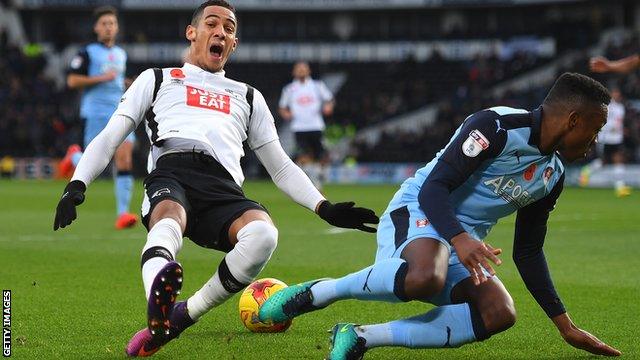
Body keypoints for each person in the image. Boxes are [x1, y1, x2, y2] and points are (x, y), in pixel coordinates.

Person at [52, 1, 378, 357]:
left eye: (229, 28)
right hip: (172, 169)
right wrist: (77, 183)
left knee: (264, 233)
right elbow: (111, 135)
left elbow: (281, 166)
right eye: (212, 23)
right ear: (192, 32)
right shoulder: (158, 78)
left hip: (223, 186)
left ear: (233, 44)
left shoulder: (249, 96)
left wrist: (324, 207)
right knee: (169, 216)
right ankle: (156, 302)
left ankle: (182, 315)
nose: (221, 31)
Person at [259, 73, 622, 359]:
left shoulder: (552, 175)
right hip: (418, 210)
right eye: (596, 129)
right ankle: (321, 292)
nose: (595, 142)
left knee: (499, 313)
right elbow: (435, 187)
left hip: (460, 243)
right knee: (425, 276)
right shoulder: (495, 127)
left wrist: (565, 326)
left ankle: (360, 337)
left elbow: (528, 251)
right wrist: (460, 238)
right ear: (573, 120)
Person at [57, 6, 138, 229]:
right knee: (92, 161)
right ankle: (73, 156)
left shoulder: (121, 54)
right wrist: (101, 78)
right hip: (95, 112)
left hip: (120, 111)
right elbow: (72, 81)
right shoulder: (87, 52)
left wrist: (126, 84)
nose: (108, 27)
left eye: (112, 23)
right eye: (104, 24)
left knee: (125, 159)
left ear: (117, 27)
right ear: (96, 27)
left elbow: (117, 80)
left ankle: (122, 214)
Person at [279, 61, 335, 189]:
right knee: (304, 156)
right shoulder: (289, 89)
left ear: (309, 71)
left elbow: (329, 99)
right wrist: (286, 114)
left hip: (316, 126)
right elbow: (282, 107)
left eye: (303, 69)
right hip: (299, 127)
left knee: (322, 157)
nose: (301, 71)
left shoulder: (317, 86)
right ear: (294, 72)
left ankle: (318, 177)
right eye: (298, 69)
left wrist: (328, 106)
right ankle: (312, 182)